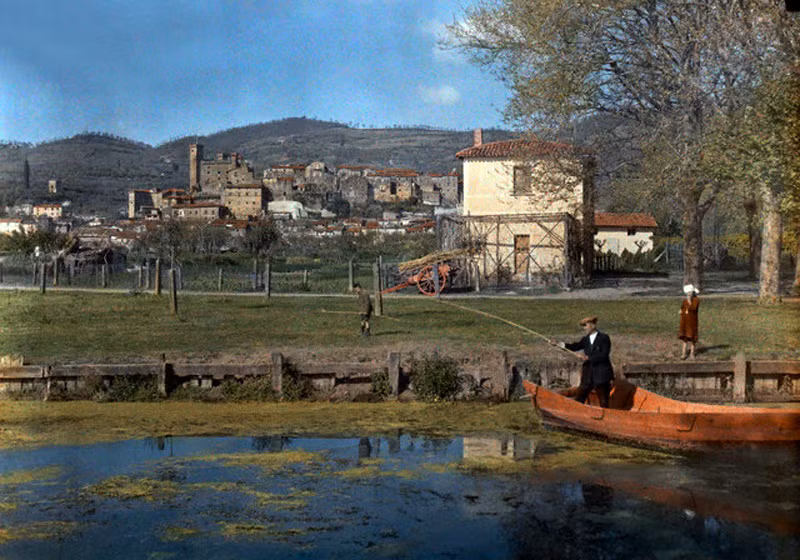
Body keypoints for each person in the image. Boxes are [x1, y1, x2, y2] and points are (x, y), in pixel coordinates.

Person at [550, 316, 614, 408]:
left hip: (601, 375)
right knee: (580, 398)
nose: (584, 328)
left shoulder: (604, 338)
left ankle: (606, 420)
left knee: (603, 401)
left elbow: (604, 355)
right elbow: (575, 346)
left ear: (593, 325)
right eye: (583, 326)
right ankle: (576, 416)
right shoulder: (585, 339)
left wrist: (589, 358)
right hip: (588, 375)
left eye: (586, 325)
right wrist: (559, 344)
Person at [678, 284, 700, 360]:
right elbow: (682, 308)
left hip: (692, 322)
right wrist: (681, 311)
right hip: (685, 321)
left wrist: (689, 301)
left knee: (693, 338)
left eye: (690, 294)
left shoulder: (696, 300)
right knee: (685, 338)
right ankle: (683, 353)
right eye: (687, 294)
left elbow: (693, 309)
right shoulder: (684, 301)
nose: (688, 295)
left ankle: (692, 354)